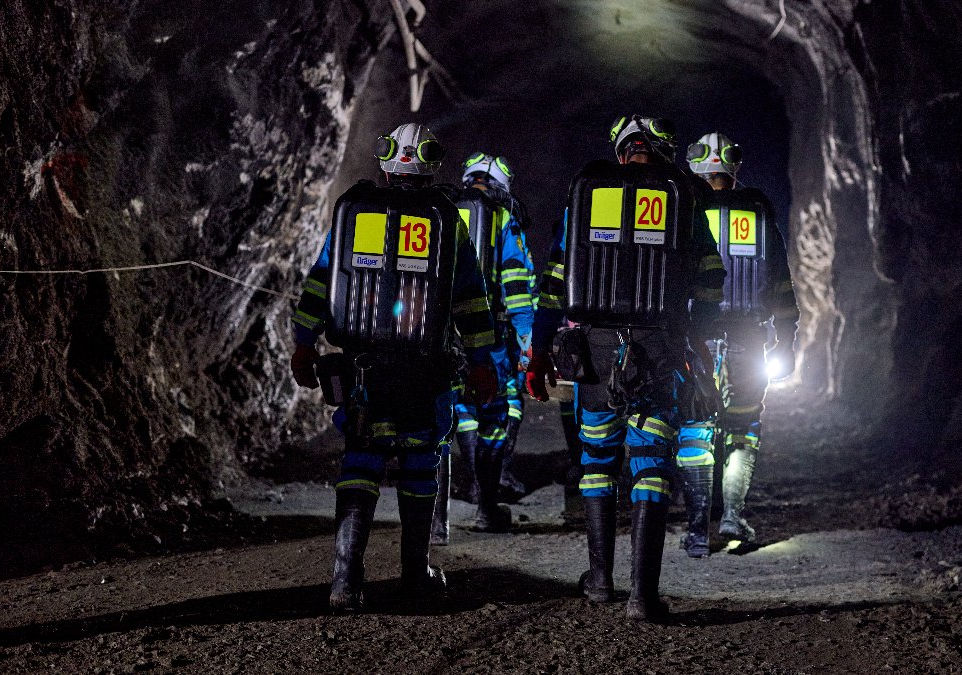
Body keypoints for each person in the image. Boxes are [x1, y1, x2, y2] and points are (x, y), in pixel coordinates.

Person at [289, 122, 500, 612]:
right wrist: (482, 361)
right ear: (431, 167)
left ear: (386, 164)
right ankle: (414, 575)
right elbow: (471, 300)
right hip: (423, 371)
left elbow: (321, 282)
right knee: (420, 461)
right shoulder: (446, 220)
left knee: (361, 459)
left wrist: (304, 343)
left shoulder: (354, 214)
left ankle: (345, 581)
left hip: (362, 368)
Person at [526, 115, 725, 622]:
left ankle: (599, 581)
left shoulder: (587, 195)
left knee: (596, 461)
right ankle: (642, 596)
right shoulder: (682, 197)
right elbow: (710, 277)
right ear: (663, 152)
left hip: (593, 350)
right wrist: (696, 337)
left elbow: (553, 280)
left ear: (620, 151)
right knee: (651, 464)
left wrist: (539, 350)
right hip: (660, 348)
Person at [675, 132, 799, 557]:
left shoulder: (684, 211)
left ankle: (697, 531)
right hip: (749, 337)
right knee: (743, 427)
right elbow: (781, 283)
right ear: (734, 168)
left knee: (695, 427)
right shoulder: (760, 214)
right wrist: (787, 339)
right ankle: (731, 516)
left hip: (697, 338)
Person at [431, 152, 535, 541]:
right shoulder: (502, 217)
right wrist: (527, 340)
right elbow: (517, 285)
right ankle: (486, 509)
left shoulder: (439, 211)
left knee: (445, 418)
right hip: (487, 335)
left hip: (438, 336)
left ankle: (435, 523)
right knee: (493, 416)